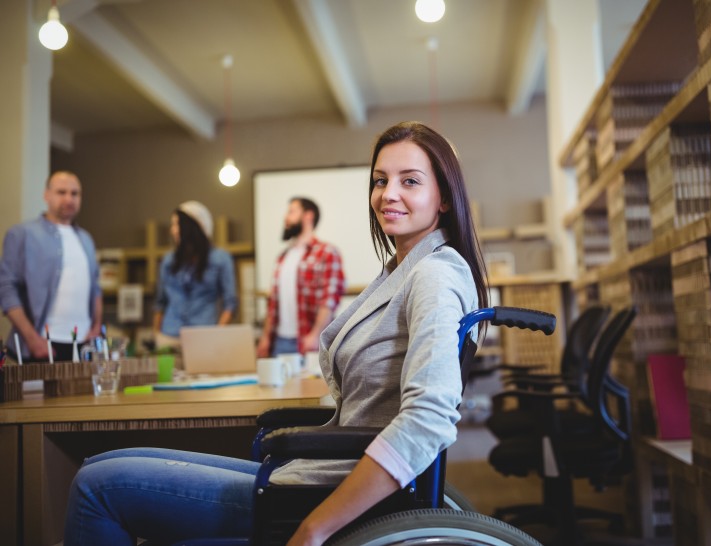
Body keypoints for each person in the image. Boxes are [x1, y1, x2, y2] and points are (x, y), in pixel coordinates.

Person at [63, 121, 489, 546]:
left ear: (445, 198)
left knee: (95, 485)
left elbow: (429, 417)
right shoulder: (402, 269)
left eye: (409, 181)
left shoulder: (434, 274)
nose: (387, 193)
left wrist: (315, 528)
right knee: (104, 461)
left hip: (334, 495)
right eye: (380, 180)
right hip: (322, 473)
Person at [0, 171, 102, 362]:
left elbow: (95, 288)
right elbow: (6, 288)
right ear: (46, 195)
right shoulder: (22, 234)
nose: (68, 198)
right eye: (61, 192)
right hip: (41, 345)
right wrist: (31, 338)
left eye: (75, 193)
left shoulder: (86, 239)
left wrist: (96, 328)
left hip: (83, 345)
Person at [256, 197, 345, 357]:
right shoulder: (283, 257)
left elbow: (329, 299)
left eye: (291, 212)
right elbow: (273, 303)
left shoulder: (327, 252)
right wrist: (265, 338)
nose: (286, 217)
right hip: (280, 342)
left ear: (308, 216)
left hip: (308, 342)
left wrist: (315, 335)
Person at [153, 201, 238, 348]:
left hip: (204, 336)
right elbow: (160, 302)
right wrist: (156, 334)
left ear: (195, 226)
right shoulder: (168, 261)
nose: (173, 231)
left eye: (177, 224)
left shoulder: (220, 259)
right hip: (169, 336)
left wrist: (218, 333)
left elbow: (230, 303)